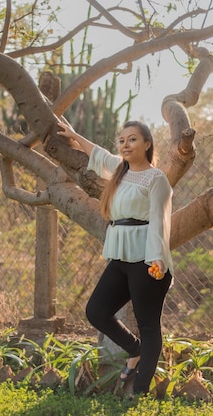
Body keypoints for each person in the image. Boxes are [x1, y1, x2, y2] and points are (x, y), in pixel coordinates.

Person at [57, 120, 174, 397]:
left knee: (149, 326)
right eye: (121, 140)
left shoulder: (156, 179)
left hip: (147, 261)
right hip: (121, 258)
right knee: (96, 311)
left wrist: (156, 258)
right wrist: (74, 136)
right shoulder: (120, 172)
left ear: (147, 144)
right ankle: (133, 351)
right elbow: (97, 154)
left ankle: (139, 391)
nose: (125, 145)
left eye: (132, 140)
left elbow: (159, 219)